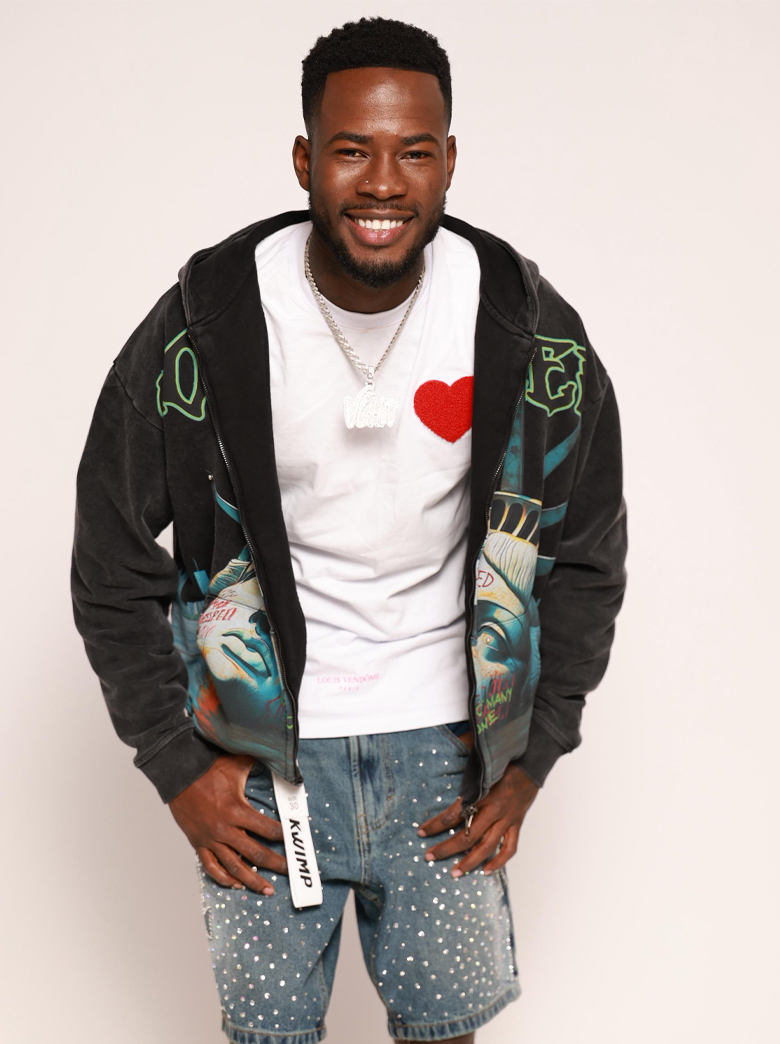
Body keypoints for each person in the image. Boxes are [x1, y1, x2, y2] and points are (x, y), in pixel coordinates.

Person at [71, 17, 627, 1044]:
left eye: (414, 152)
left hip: (448, 760)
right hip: (265, 767)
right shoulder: (206, 325)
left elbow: (588, 554)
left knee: (445, 1035)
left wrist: (534, 753)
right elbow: (110, 558)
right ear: (304, 160)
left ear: (449, 160)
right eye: (351, 150)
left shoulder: (527, 329)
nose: (383, 183)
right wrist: (176, 765)